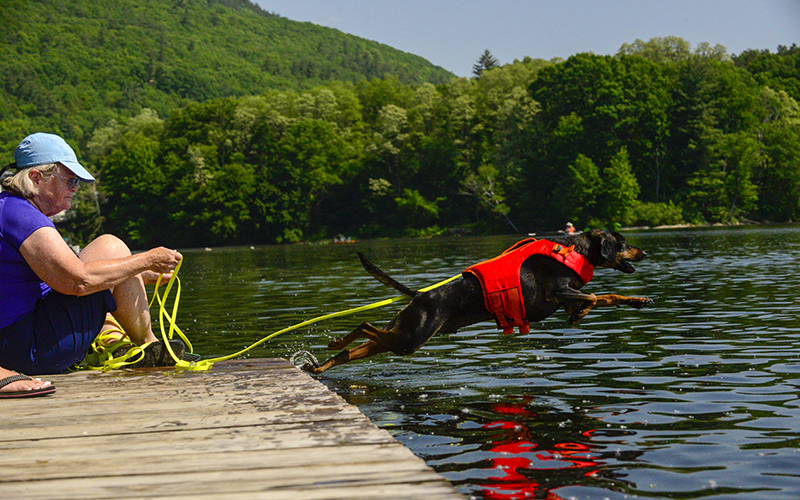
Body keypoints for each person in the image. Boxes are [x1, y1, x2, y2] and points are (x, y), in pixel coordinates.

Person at [0, 132, 186, 384]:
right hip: (29, 352)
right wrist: (146, 260)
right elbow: (77, 281)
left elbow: (51, 278)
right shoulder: (21, 215)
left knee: (114, 265)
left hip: (15, 346)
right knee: (111, 246)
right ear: (36, 178)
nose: (75, 188)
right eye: (70, 180)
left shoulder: (10, 208)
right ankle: (149, 347)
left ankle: (129, 346)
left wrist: (136, 274)